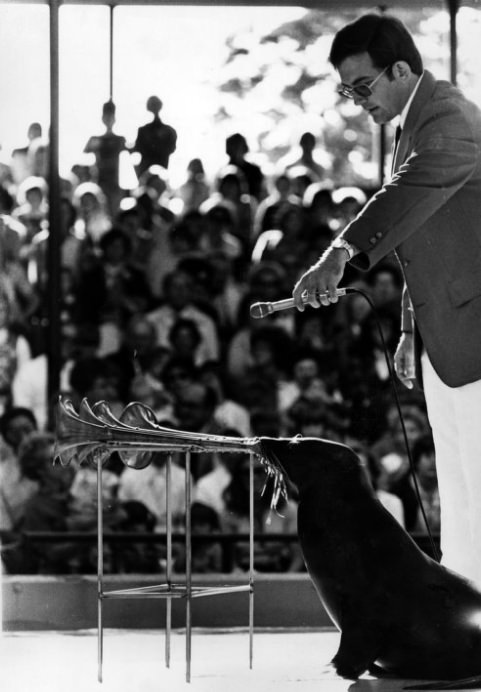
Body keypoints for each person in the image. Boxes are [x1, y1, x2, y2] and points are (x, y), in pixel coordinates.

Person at [292, 14, 481, 585]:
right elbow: (422, 235)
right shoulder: (411, 120)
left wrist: (339, 253)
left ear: (401, 69)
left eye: (362, 86)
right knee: (459, 489)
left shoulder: (450, 117)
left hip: (476, 335)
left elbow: (407, 194)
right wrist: (407, 328)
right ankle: (466, 617)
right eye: (345, 90)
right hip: (444, 335)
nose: (354, 101)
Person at [132, 95, 177, 178]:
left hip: (154, 173)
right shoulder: (169, 131)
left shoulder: (144, 131)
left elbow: (137, 148)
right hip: (149, 173)